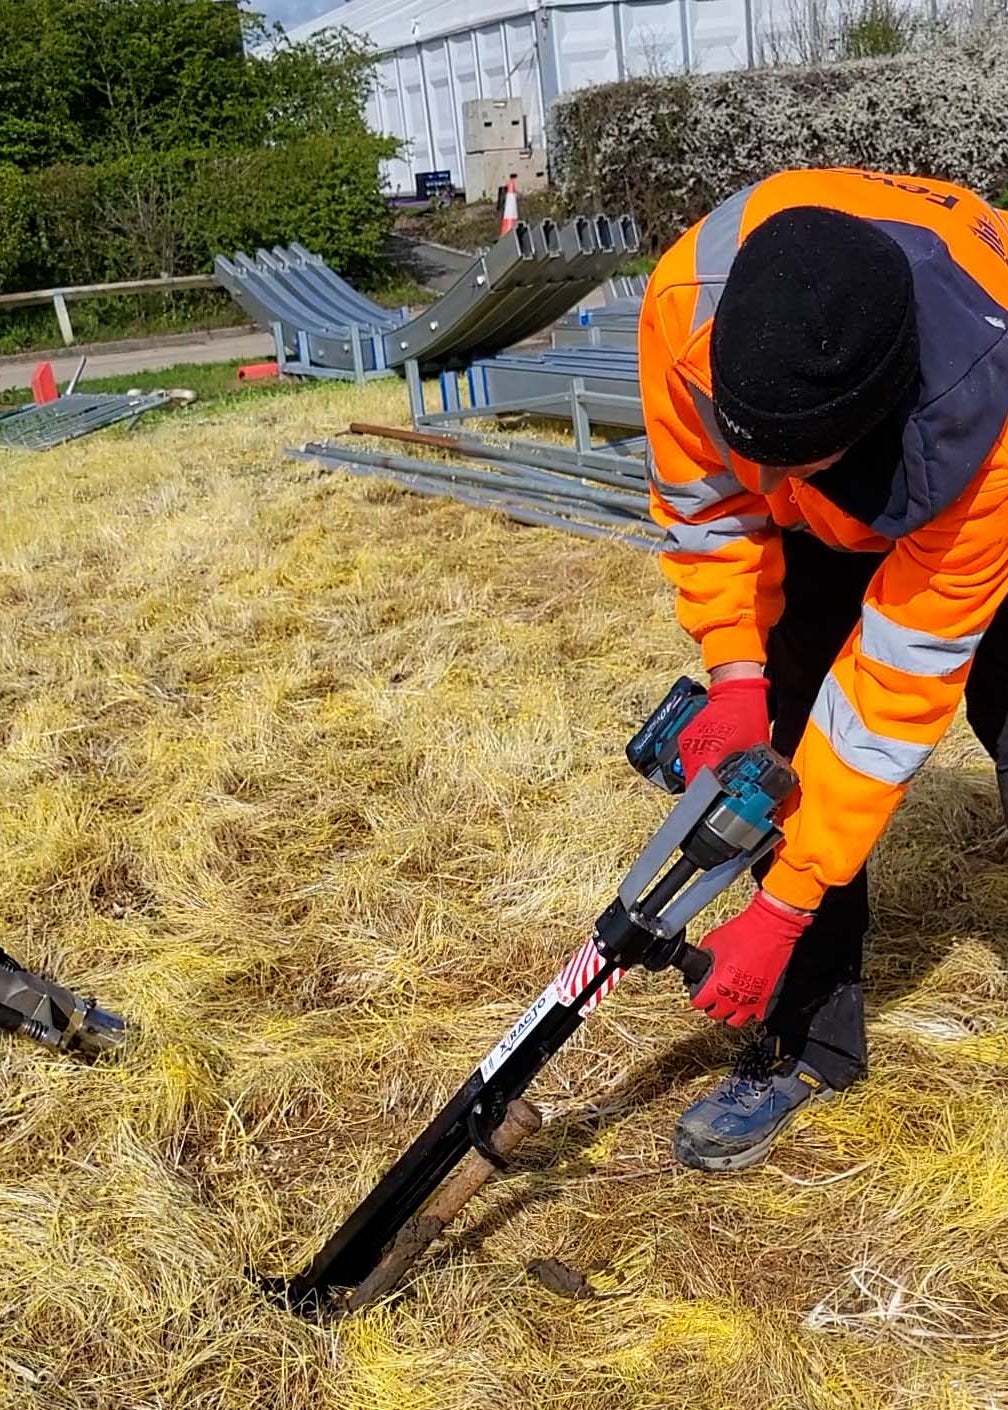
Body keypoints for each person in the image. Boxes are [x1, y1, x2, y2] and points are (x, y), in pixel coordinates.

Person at [638, 168, 1008, 1171]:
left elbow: (892, 692)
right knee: (793, 742)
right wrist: (739, 681)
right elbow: (709, 516)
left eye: (812, 466)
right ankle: (805, 1045)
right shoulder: (684, 314)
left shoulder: (989, 416)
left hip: (985, 494)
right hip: (832, 438)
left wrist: (781, 904)